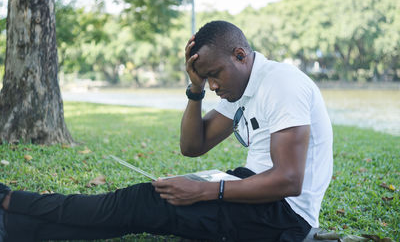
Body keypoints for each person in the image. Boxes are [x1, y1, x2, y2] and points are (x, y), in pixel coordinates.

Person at [0, 20, 333, 242]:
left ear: (241, 55)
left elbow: (288, 181)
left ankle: (11, 200)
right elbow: (193, 145)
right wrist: (195, 88)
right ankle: (14, 226)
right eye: (207, 78)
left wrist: (205, 191)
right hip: (246, 187)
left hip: (284, 217)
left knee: (140, 203)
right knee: (138, 206)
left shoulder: (282, 84)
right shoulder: (240, 87)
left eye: (215, 74)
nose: (214, 84)